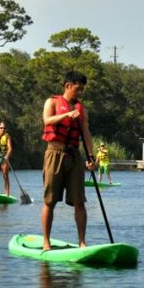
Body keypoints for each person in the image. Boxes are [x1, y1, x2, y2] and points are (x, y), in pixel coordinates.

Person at [41, 70, 96, 251]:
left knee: (79, 201)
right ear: (68, 86)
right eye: (77, 89)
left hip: (74, 156)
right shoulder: (52, 102)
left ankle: (82, 242)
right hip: (54, 153)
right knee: (50, 200)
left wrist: (91, 157)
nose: (79, 93)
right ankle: (46, 242)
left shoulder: (81, 109)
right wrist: (66, 115)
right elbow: (47, 120)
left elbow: (86, 134)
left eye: (82, 90)